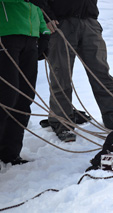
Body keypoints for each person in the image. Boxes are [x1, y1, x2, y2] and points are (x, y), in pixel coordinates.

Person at [43, 0, 113, 142]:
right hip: (60, 23)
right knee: (61, 76)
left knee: (101, 73)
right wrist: (46, 16)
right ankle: (62, 123)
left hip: (89, 21)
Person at [0, 0, 50, 165]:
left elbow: (37, 6)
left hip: (31, 37)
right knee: (6, 98)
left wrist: (43, 30)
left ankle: (10, 154)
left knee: (24, 98)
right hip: (6, 33)